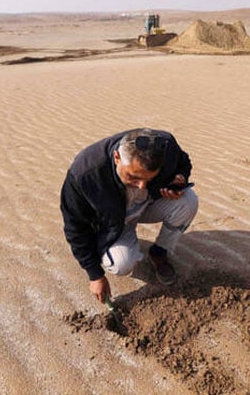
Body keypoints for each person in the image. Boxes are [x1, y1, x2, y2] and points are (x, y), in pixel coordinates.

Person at [60, 128, 198, 303]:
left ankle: (159, 253)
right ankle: (110, 243)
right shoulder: (85, 174)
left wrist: (179, 178)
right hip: (110, 220)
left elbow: (183, 161)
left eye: (148, 179)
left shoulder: (166, 146)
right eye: (133, 177)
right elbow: (74, 227)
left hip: (146, 204)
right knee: (122, 264)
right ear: (117, 158)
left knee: (189, 201)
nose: (141, 186)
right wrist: (94, 275)